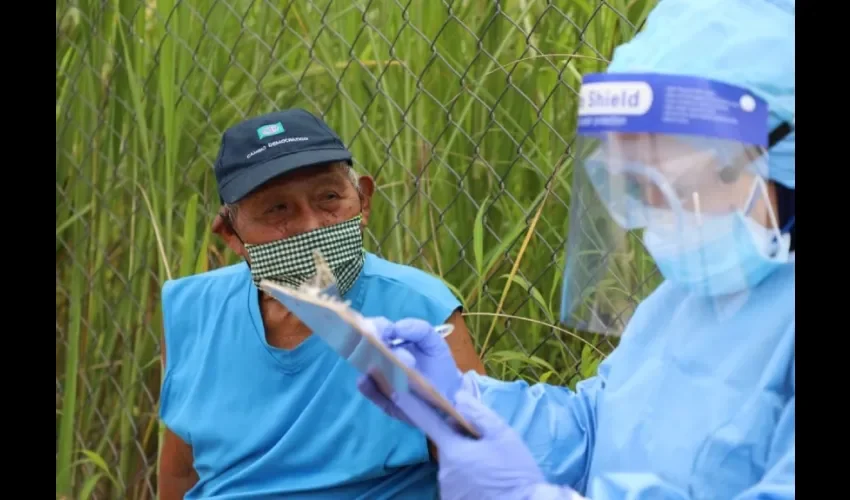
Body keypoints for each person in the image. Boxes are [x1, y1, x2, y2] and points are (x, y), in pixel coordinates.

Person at [355, 0, 795, 498]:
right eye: (633, 182)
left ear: (776, 156)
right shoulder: (687, 297)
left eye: (672, 181)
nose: (650, 207)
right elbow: (596, 428)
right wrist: (462, 400)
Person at [157, 107, 485, 499]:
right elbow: (180, 474)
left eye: (329, 197)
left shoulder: (417, 310)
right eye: (278, 208)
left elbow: (481, 466)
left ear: (363, 201)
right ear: (231, 234)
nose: (311, 225)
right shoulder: (195, 308)